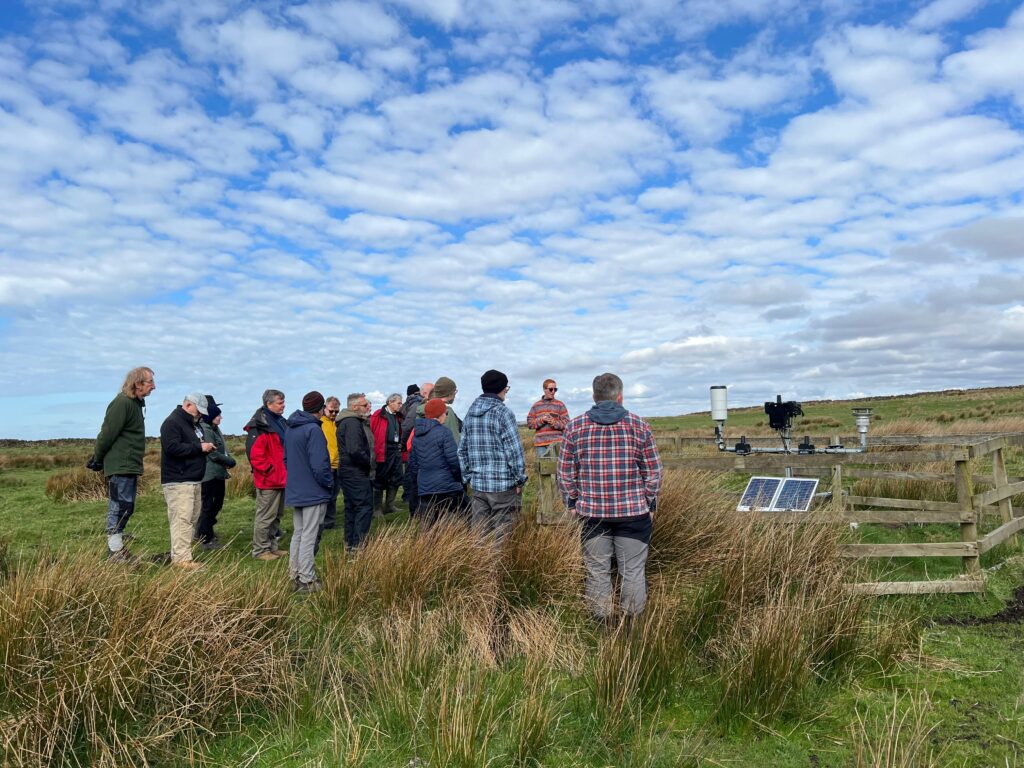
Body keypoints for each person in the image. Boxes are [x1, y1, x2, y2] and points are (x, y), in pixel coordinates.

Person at [556, 373, 663, 624]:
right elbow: (653, 470)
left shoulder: (575, 426)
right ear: (620, 395)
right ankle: (631, 626)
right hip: (633, 512)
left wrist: (572, 501)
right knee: (633, 571)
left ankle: (601, 624)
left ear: (594, 396)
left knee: (597, 570)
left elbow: (565, 472)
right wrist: (650, 502)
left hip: (592, 512)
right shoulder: (639, 425)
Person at [88, 366, 155, 561]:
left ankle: (117, 548)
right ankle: (115, 552)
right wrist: (98, 459)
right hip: (120, 465)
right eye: (150, 382)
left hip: (129, 465)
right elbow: (107, 434)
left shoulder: (134, 404)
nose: (154, 387)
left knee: (126, 506)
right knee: (119, 506)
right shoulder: (122, 403)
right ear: (138, 383)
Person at [458, 370, 527, 541]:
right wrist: (520, 479)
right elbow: (515, 452)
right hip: (502, 485)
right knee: (503, 536)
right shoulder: (503, 413)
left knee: (480, 535)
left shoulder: (470, 414)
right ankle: (498, 568)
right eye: (506, 388)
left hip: (479, 485)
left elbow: (462, 451)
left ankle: (480, 567)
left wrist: (468, 477)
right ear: (501, 389)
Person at [284, 392, 334, 593]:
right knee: (309, 536)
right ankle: (307, 578)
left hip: (296, 488)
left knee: (299, 533)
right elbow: (320, 465)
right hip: (313, 491)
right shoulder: (313, 430)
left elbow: (286, 459)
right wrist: (328, 483)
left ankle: (294, 574)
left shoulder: (291, 429)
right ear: (320, 408)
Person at [160, 392, 215, 570]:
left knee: (191, 518)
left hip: (192, 479)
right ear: (188, 405)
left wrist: (202, 448)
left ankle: (183, 554)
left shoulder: (190, 423)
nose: (199, 414)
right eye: (198, 410)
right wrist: (199, 447)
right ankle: (182, 560)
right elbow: (172, 447)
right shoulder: (172, 422)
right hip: (178, 480)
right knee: (182, 519)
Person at [244, 389, 289, 561]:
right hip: (269, 480)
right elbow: (255, 455)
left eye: (283, 402)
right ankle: (260, 550)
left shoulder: (280, 422)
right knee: (265, 517)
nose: (283, 405)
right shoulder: (259, 425)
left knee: (277, 515)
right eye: (280, 402)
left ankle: (272, 547)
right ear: (268, 403)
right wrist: (270, 471)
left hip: (281, 477)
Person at [409, 397, 467, 525]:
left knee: (430, 524)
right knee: (467, 514)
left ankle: (432, 544)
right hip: (447, 486)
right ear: (440, 415)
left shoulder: (417, 435)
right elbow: (453, 461)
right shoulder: (444, 432)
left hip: (425, 488)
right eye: (445, 413)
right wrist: (459, 479)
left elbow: (413, 465)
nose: (446, 416)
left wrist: (418, 484)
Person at [195, 395, 236, 549]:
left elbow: (221, 449)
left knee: (215, 504)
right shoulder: (206, 429)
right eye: (218, 414)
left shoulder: (212, 428)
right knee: (208, 506)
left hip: (217, 473)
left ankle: (206, 532)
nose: (221, 417)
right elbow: (212, 453)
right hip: (209, 474)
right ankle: (205, 538)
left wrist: (228, 458)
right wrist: (229, 461)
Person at [336, 392, 374, 551]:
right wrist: (368, 463)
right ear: (354, 407)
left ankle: (350, 542)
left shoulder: (348, 421)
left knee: (352, 507)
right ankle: (358, 545)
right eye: (365, 405)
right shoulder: (352, 422)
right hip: (354, 471)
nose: (368, 408)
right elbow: (355, 450)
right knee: (363, 506)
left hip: (348, 470)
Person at [371, 393, 405, 516]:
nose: (401, 405)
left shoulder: (399, 417)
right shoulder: (378, 415)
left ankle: (389, 505)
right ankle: (377, 508)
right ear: (390, 402)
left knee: (396, 477)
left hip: (395, 450)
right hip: (383, 451)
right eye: (399, 403)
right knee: (380, 479)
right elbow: (372, 432)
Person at [526, 378, 570, 457]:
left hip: (558, 444)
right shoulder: (536, 406)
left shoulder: (560, 405)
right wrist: (542, 420)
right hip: (541, 445)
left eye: (555, 389)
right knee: (543, 469)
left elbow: (567, 423)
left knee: (558, 469)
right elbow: (529, 424)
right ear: (544, 390)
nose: (553, 391)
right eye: (551, 389)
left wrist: (555, 423)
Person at [417, 376, 461, 442]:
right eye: (455, 391)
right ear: (449, 394)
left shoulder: (422, 408)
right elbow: (454, 440)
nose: (455, 394)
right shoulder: (447, 412)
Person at [321, 396, 342, 530]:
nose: (334, 414)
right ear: (324, 409)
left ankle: (330, 521)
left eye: (336, 411)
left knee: (333, 495)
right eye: (331, 411)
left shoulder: (338, 423)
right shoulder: (320, 423)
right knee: (324, 495)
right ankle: (320, 521)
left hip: (338, 464)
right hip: (326, 465)